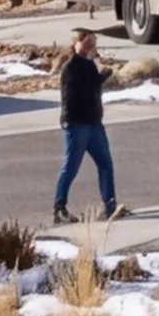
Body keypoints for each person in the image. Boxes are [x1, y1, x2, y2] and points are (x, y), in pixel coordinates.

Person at [51, 31, 124, 223]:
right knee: (71, 167)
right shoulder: (71, 67)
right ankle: (59, 207)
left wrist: (99, 77)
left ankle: (110, 207)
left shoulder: (90, 64)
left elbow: (93, 87)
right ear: (76, 43)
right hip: (77, 124)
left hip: (94, 124)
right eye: (85, 42)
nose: (89, 45)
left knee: (106, 165)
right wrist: (99, 79)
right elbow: (78, 93)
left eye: (92, 42)